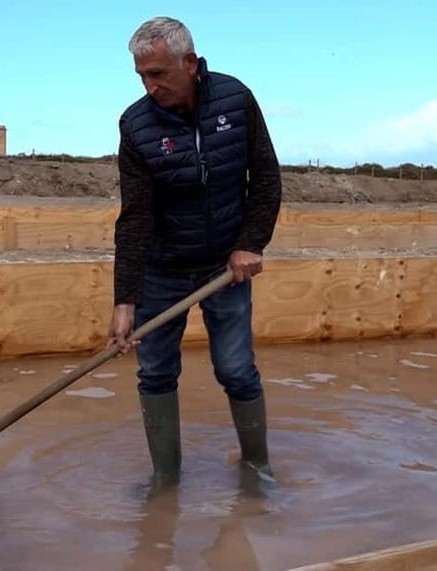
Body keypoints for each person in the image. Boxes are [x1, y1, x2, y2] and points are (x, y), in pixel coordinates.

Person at [107, 16, 282, 484]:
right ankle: (165, 482)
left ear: (189, 63)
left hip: (226, 267)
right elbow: (135, 216)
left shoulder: (235, 99)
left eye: (158, 73)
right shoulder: (136, 125)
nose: (150, 86)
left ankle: (257, 468)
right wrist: (125, 300)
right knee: (156, 374)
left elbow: (265, 178)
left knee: (237, 370)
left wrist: (250, 244)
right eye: (142, 75)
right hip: (161, 272)